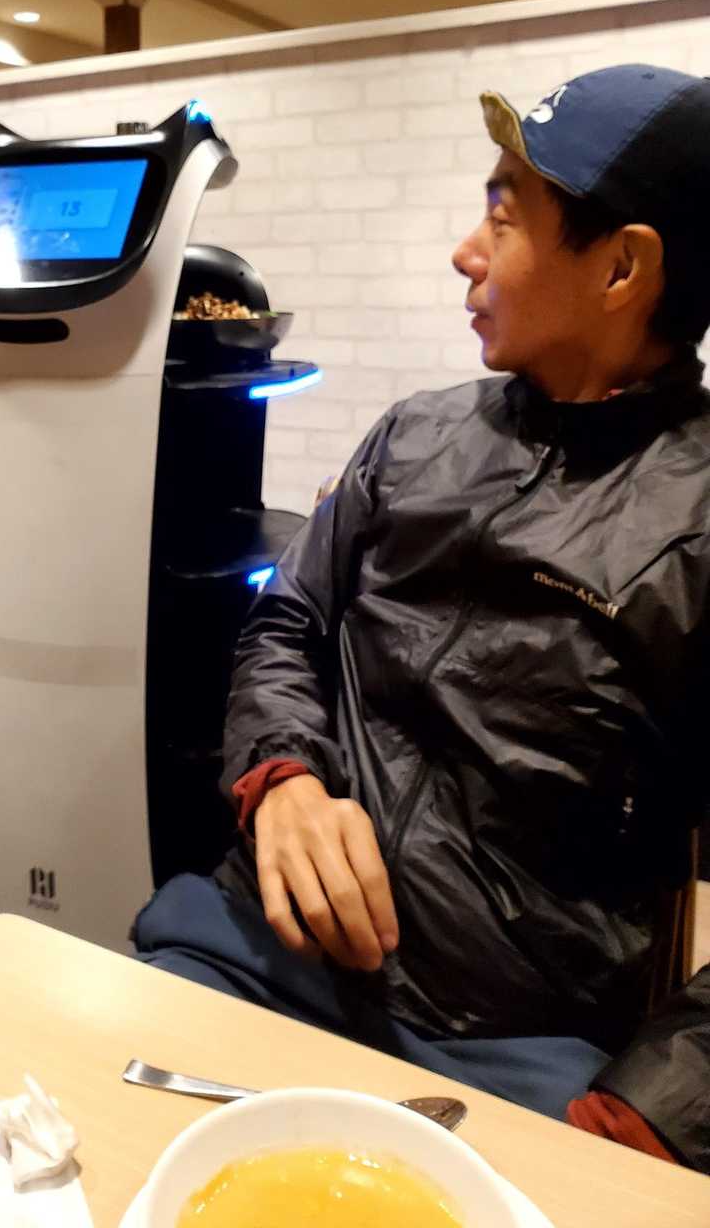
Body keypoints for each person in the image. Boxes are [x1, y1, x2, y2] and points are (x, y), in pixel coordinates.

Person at [133, 64, 710, 1167]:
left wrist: (647, 1112)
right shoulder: (415, 435)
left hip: (512, 1043)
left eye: (505, 215)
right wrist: (282, 781)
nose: (466, 250)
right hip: (262, 945)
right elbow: (287, 624)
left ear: (621, 268)